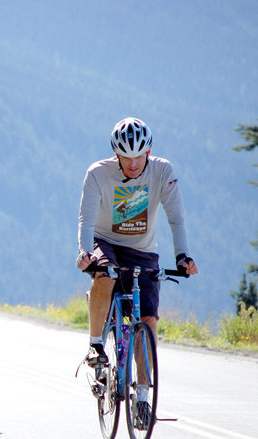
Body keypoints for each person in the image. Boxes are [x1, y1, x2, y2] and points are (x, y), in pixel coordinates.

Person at [76, 118, 198, 417]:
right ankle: (95, 345)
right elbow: (86, 221)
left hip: (143, 251)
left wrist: (182, 255)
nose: (133, 164)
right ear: (115, 155)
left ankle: (142, 397)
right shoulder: (98, 173)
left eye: (139, 157)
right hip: (105, 241)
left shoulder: (163, 171)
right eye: (125, 158)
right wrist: (85, 252)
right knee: (104, 277)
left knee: (147, 320)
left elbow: (176, 218)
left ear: (150, 151)